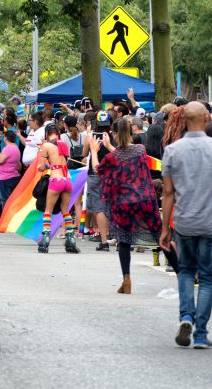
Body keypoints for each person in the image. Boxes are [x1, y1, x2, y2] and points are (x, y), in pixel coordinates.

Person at [160, 101, 212, 348]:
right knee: (208, 278)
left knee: (185, 271)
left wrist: (164, 228)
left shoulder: (172, 151)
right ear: (205, 118)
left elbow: (168, 193)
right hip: (210, 222)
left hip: (183, 222)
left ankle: (187, 316)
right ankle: (201, 334)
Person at [91, 117, 162, 295]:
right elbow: (125, 156)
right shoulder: (140, 150)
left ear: (114, 134)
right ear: (130, 131)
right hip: (145, 200)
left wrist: (94, 150)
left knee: (124, 241)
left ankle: (127, 280)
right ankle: (180, 272)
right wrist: (109, 146)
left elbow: (97, 169)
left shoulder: (111, 157)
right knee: (161, 237)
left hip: (124, 203)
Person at [35, 123, 80, 254]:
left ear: (47, 133)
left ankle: (45, 240)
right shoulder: (64, 144)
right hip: (67, 180)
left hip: (56, 180)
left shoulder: (46, 146)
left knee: (48, 210)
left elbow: (42, 167)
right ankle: (71, 240)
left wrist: (40, 166)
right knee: (65, 211)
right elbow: (62, 162)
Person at [83, 111, 114, 250]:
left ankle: (104, 241)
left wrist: (91, 144)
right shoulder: (113, 136)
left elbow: (84, 154)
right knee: (111, 206)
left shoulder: (90, 136)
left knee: (98, 207)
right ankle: (115, 236)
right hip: (112, 174)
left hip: (95, 175)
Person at [0, 130, 21, 207]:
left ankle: (5, 218)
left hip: (6, 177)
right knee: (11, 199)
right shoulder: (16, 147)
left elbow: (0, 161)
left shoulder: (7, 148)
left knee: (5, 199)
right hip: (13, 175)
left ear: (6, 138)